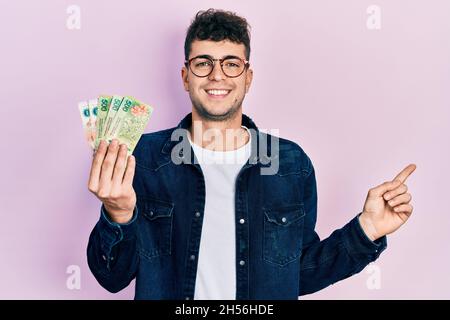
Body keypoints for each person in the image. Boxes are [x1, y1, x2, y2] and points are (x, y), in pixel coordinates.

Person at [86, 8, 416, 300]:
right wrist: (118, 213)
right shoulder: (139, 158)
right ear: (186, 77)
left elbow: (297, 274)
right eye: (203, 63)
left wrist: (368, 229)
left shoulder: (290, 164)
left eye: (231, 64)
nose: (217, 75)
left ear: (248, 78)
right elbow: (112, 279)